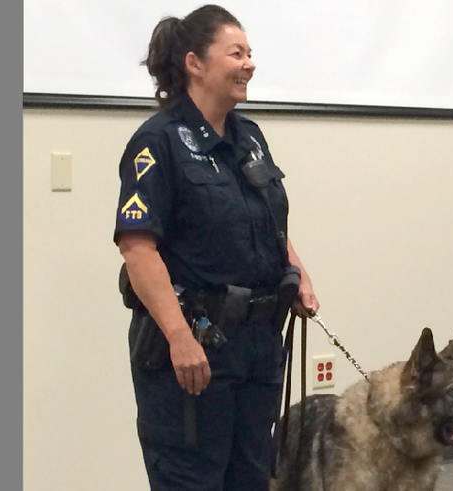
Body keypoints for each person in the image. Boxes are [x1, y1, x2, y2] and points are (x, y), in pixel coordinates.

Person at [112, 5, 319, 490]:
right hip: (196, 350)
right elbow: (138, 249)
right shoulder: (156, 143)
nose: (249, 63)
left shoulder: (249, 137)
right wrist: (179, 338)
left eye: (250, 53)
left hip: (257, 347)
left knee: (250, 477)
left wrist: (299, 274)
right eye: (236, 53)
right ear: (194, 63)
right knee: (193, 481)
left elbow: (267, 221)